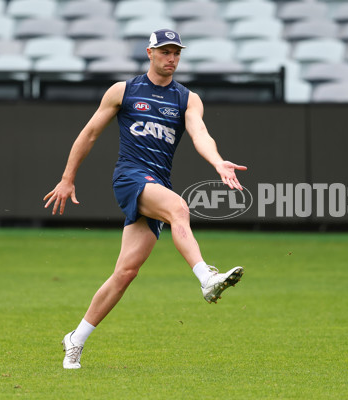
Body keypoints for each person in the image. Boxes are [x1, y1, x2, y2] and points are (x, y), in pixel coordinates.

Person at [43, 29, 247, 370]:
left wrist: (217, 161)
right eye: (165, 51)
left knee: (125, 272)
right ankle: (206, 278)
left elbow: (199, 133)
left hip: (157, 183)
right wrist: (67, 178)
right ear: (149, 52)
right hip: (129, 177)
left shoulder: (187, 98)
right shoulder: (123, 91)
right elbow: (90, 133)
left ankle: (74, 340)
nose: (172, 58)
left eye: (176, 52)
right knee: (179, 207)